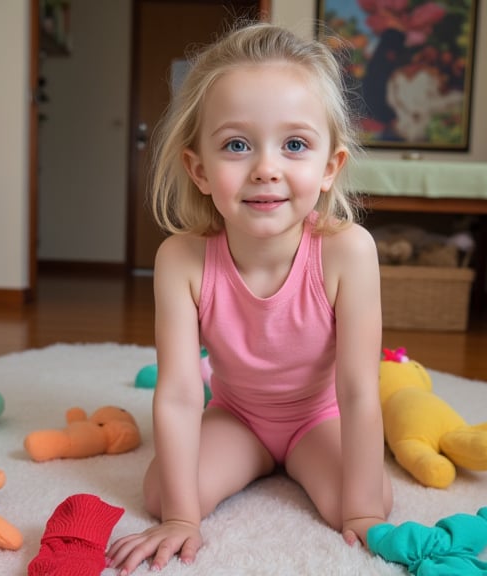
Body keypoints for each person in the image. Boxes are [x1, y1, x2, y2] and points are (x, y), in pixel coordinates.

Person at [106, 22, 393, 574]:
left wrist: (359, 512)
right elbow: (180, 395)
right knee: (163, 495)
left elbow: (357, 390)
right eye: (237, 145)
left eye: (295, 145)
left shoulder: (348, 252)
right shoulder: (180, 259)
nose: (266, 168)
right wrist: (182, 521)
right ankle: (254, 461)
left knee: (367, 502)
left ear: (330, 167)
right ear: (200, 170)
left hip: (320, 417)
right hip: (237, 416)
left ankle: (302, 469)